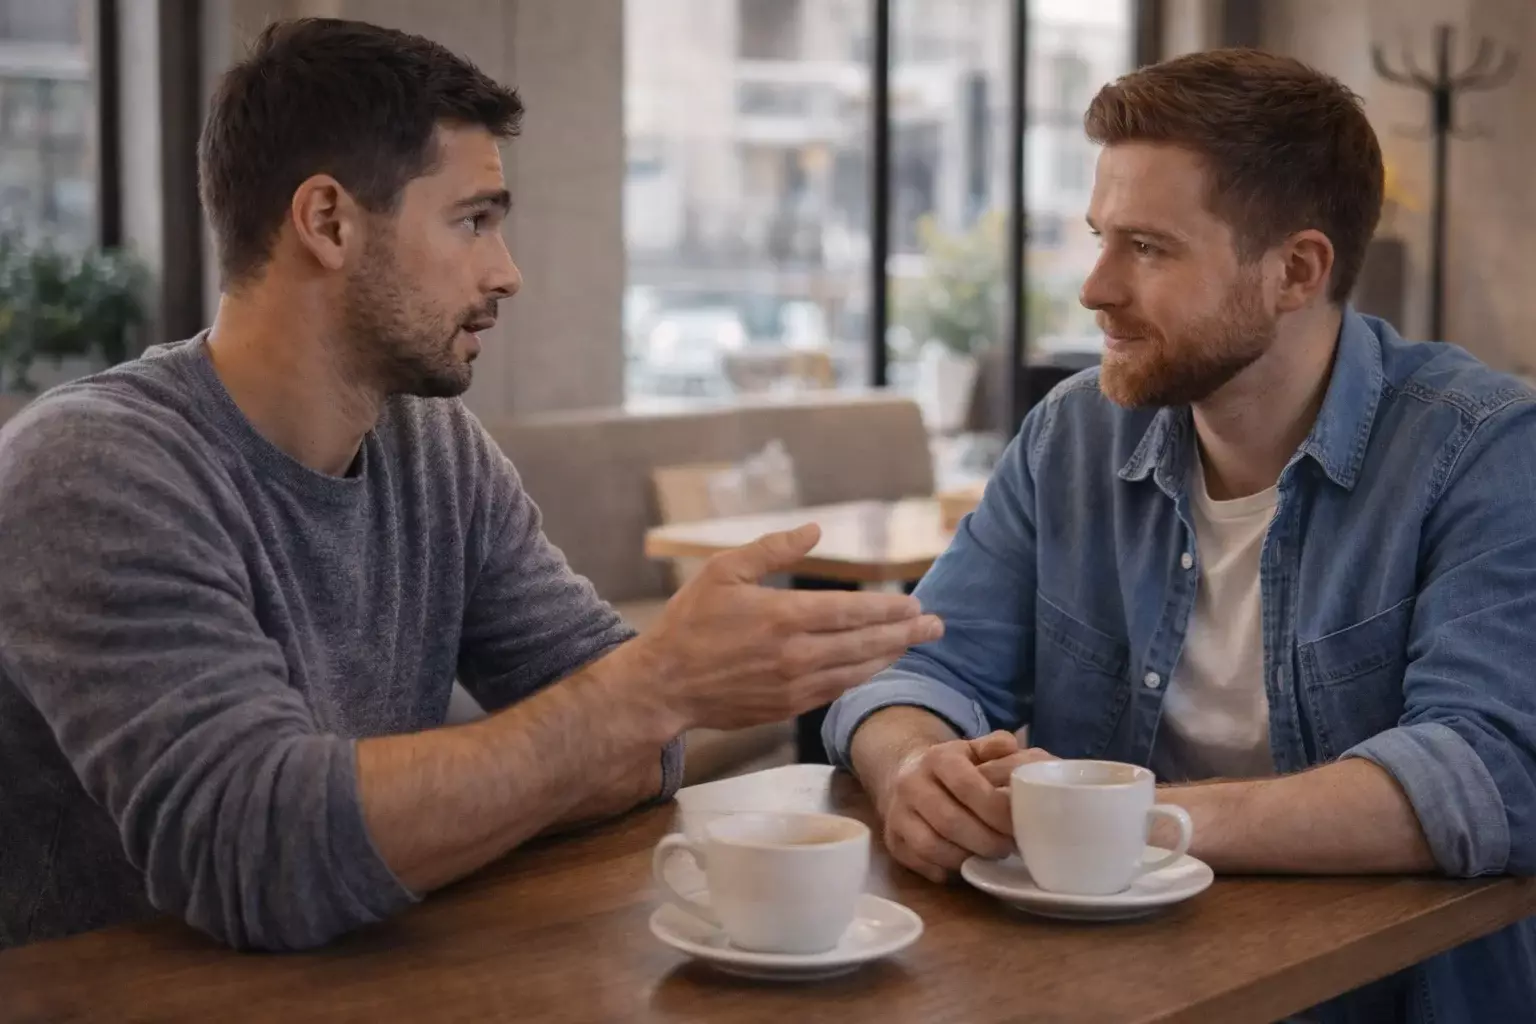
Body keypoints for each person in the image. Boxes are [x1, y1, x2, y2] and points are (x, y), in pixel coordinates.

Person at [0, 18, 942, 952]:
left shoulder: (430, 444)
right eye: (472, 220)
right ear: (327, 221)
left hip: (374, 975)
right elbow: (259, 853)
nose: (508, 272)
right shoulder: (96, 466)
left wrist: (624, 708)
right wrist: (647, 689)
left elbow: (642, 754)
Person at [824, 48, 1536, 1023]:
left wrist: (1126, 822)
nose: (1094, 288)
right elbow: (917, 673)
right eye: (1098, 237)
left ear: (1296, 269)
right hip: (1099, 981)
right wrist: (912, 765)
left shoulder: (1484, 449)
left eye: (1148, 248)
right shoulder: (1072, 433)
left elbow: (1495, 770)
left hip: (1377, 994)